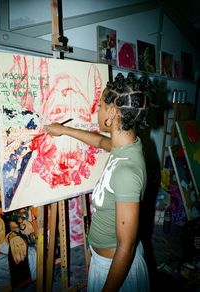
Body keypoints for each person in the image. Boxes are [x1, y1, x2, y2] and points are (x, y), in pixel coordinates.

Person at [45, 72, 155, 292]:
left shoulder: (126, 172)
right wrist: (64, 130)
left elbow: (126, 246)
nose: (97, 109)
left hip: (115, 269)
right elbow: (100, 141)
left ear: (113, 113)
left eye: (102, 105)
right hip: (103, 260)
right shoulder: (127, 145)